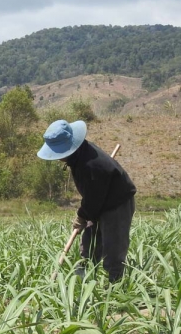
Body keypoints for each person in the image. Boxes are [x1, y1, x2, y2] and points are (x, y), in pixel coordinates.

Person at [37, 119, 136, 282]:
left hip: (116, 203)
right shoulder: (79, 155)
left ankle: (115, 287)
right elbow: (93, 194)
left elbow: (94, 196)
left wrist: (82, 216)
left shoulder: (90, 164)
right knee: (89, 244)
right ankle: (82, 282)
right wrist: (85, 215)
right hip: (98, 200)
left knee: (113, 248)